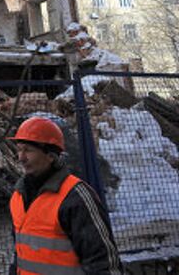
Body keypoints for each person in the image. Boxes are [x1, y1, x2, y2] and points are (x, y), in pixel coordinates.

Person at [8, 116, 123, 274]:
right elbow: (21, 254)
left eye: (28, 150)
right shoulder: (18, 196)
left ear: (50, 156)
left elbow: (103, 262)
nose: (21, 157)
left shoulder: (75, 197)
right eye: (19, 149)